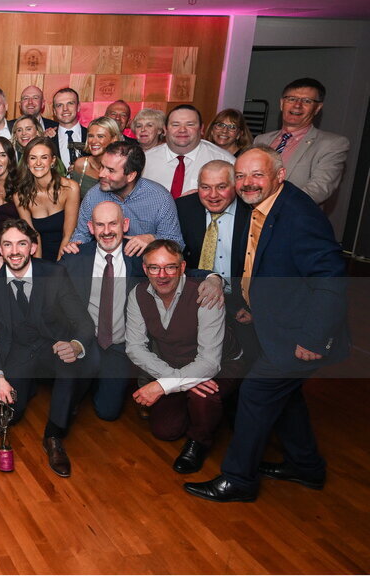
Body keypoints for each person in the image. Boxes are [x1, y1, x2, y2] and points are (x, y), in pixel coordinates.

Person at [185, 146, 349, 502]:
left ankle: (238, 480)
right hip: (277, 322)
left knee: (257, 395)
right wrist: (256, 307)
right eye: (241, 176)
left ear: (279, 175)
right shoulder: (263, 208)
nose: (247, 183)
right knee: (286, 399)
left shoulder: (298, 215)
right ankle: (306, 467)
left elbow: (331, 277)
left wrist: (314, 338)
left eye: (257, 175)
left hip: (302, 333)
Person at [0, 219, 95, 477]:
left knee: (69, 367)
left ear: (33, 247)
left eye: (22, 243)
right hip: (17, 349)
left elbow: (84, 322)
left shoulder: (54, 273)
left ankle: (54, 436)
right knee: (10, 415)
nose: (15, 251)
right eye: (7, 244)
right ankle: (26, 389)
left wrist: (75, 346)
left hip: (51, 345)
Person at [127, 239, 240, 474]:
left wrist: (163, 387)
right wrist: (172, 381)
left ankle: (199, 441)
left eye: (170, 266)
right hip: (176, 365)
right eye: (154, 268)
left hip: (223, 366)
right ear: (145, 269)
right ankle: (205, 408)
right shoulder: (137, 294)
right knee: (164, 431)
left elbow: (210, 362)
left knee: (204, 394)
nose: (162, 275)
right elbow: (135, 347)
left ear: (182, 267)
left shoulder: (205, 294)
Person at [59, 202, 144, 422]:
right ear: (90, 227)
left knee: (108, 413)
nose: (106, 231)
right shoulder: (75, 257)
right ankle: (82, 384)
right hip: (85, 342)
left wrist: (212, 278)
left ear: (125, 225)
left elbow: (176, 270)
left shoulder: (139, 256)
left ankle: (97, 381)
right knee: (66, 404)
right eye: (100, 225)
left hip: (118, 345)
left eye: (113, 224)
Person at [177, 160, 253, 340]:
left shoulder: (252, 213)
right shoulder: (182, 208)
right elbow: (174, 258)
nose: (212, 195)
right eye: (205, 187)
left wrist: (252, 306)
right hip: (194, 299)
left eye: (221, 187)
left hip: (241, 306)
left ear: (235, 186)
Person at [68, 141, 184, 256]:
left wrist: (152, 239)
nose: (101, 174)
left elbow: (177, 244)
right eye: (102, 166)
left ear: (130, 176)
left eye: (111, 170)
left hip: (145, 268)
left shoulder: (160, 197)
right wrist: (75, 245)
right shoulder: (93, 196)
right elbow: (82, 234)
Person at [253, 77, 350, 204]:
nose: (297, 105)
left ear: (317, 108)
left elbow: (320, 188)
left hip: (292, 218)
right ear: (282, 103)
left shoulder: (333, 144)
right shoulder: (261, 140)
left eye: (307, 101)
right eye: (291, 99)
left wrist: (273, 207)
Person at [143, 105, 234, 198]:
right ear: (165, 129)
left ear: (201, 129)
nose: (182, 130)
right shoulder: (146, 160)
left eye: (190, 124)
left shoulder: (225, 161)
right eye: (175, 125)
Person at [13, 137, 80, 260]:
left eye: (44, 157)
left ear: (53, 161)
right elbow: (34, 235)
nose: (38, 163)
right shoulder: (20, 195)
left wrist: (59, 268)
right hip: (39, 254)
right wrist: (40, 268)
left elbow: (68, 234)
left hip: (67, 253)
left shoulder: (70, 188)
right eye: (33, 158)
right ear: (27, 163)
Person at [69, 116, 124, 193]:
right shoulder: (81, 165)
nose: (94, 141)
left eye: (100, 136)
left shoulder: (122, 166)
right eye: (91, 136)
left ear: (114, 139)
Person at [50, 88, 87, 171]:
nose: (65, 109)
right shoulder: (47, 140)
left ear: (78, 107)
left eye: (70, 103)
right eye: (59, 105)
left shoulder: (92, 137)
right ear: (54, 111)